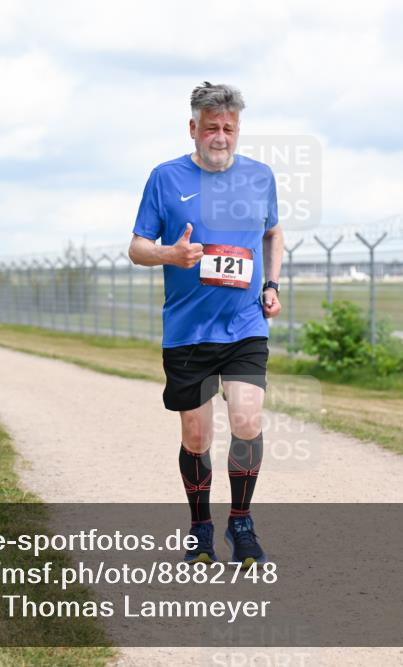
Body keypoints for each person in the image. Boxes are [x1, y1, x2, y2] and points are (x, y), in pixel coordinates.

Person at [127, 82, 283, 567]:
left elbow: (273, 232)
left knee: (247, 419)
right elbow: (136, 247)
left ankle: (242, 521)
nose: (220, 136)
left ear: (239, 130)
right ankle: (200, 527)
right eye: (211, 127)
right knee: (197, 437)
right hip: (189, 331)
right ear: (193, 128)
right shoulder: (165, 177)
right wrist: (168, 254)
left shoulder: (260, 177)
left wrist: (273, 284)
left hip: (244, 326)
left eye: (229, 128)